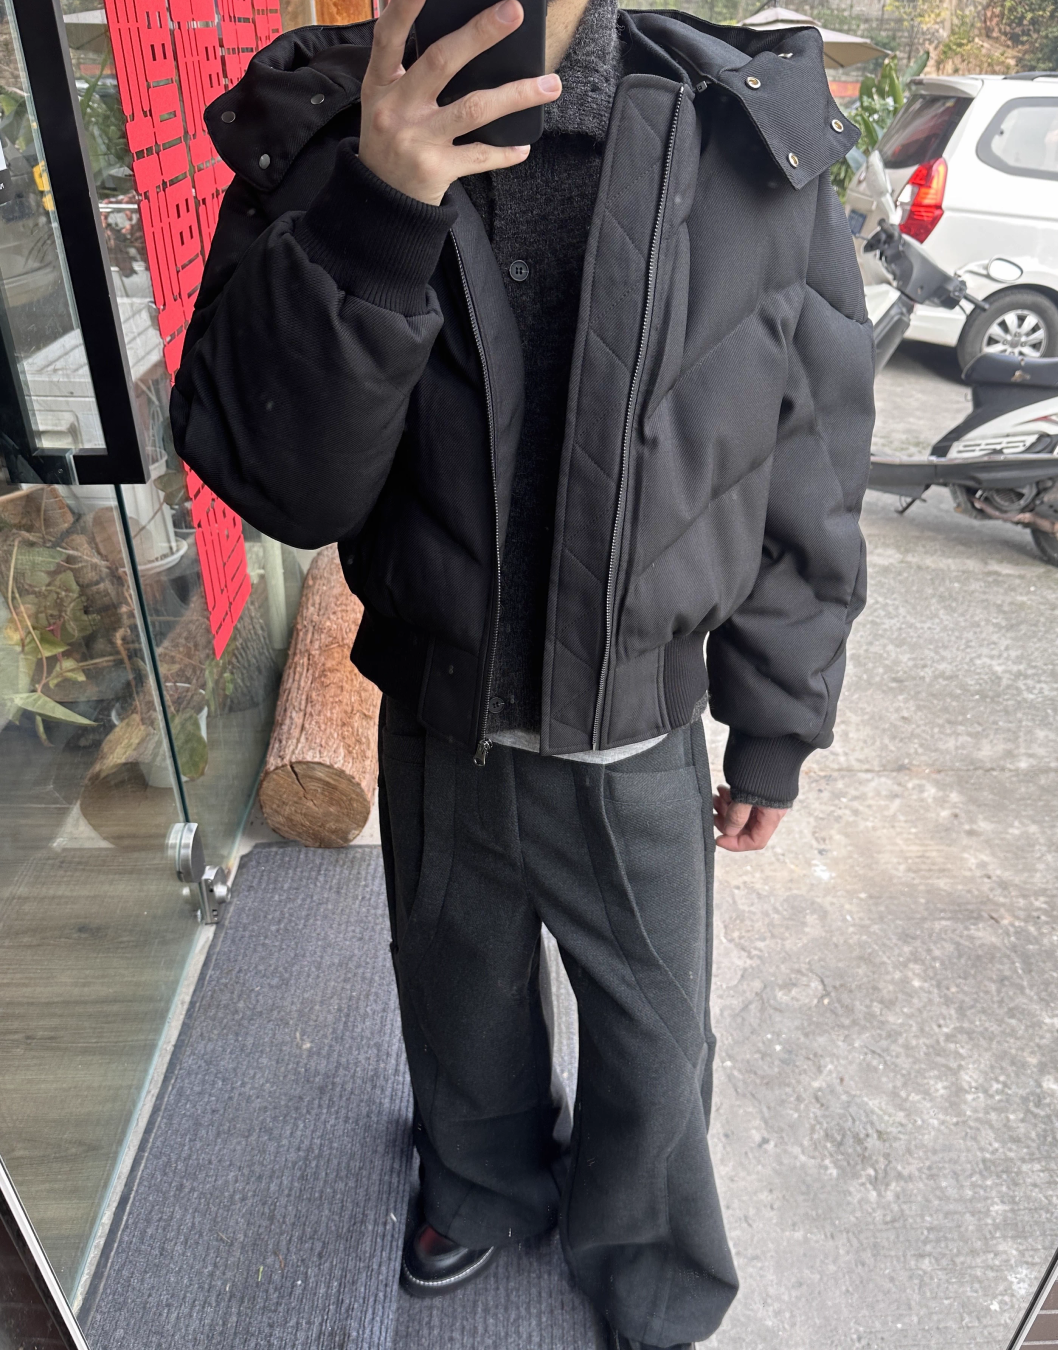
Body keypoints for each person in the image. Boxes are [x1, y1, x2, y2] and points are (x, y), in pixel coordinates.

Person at [171, 0, 874, 1339]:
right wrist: (376, 209)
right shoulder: (322, 135)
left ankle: (651, 1258)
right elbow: (280, 483)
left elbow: (809, 457)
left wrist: (777, 722)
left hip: (637, 722)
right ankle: (480, 1187)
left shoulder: (745, 139)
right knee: (454, 996)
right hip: (434, 706)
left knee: (656, 1037)